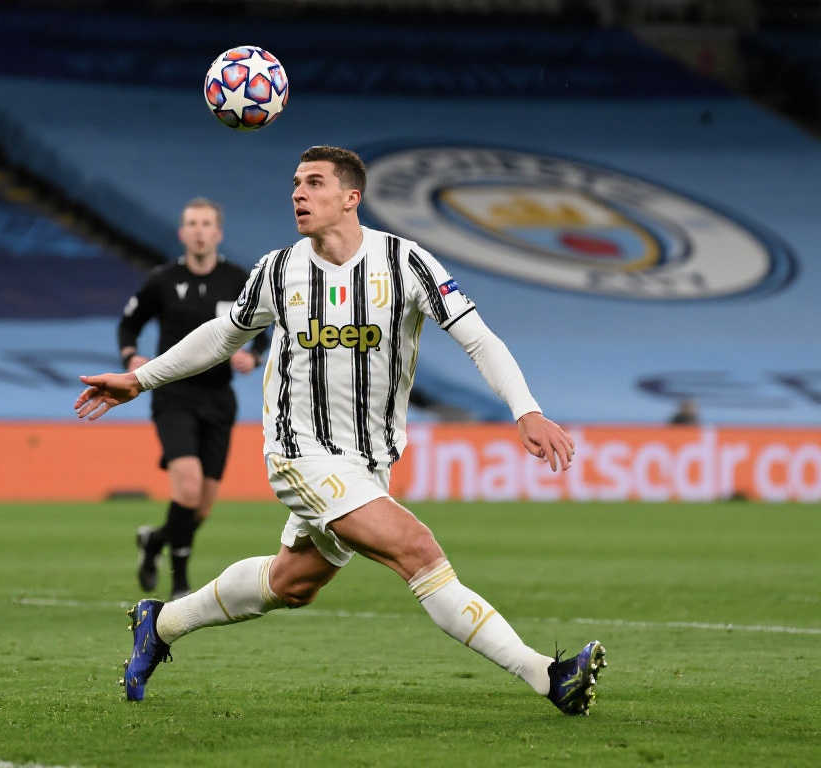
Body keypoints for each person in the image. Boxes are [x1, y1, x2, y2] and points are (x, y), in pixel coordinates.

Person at [76, 146, 606, 716]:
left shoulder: (405, 262)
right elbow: (224, 335)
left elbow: (478, 337)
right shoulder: (278, 269)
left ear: (351, 197)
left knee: (292, 582)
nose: (298, 194)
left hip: (369, 462)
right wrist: (139, 379)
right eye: (296, 183)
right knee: (418, 551)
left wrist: (526, 409)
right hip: (300, 453)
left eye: (314, 183)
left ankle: (160, 623)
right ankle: (548, 675)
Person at [117, 197, 268, 599]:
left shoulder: (238, 280)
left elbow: (264, 328)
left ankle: (154, 541)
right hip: (174, 395)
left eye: (206, 224)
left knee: (200, 508)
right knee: (187, 488)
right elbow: (129, 323)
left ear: (218, 233)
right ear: (182, 233)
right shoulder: (162, 280)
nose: (199, 231)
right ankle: (180, 584)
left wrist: (253, 356)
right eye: (192, 224)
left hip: (219, 399)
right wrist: (131, 356)